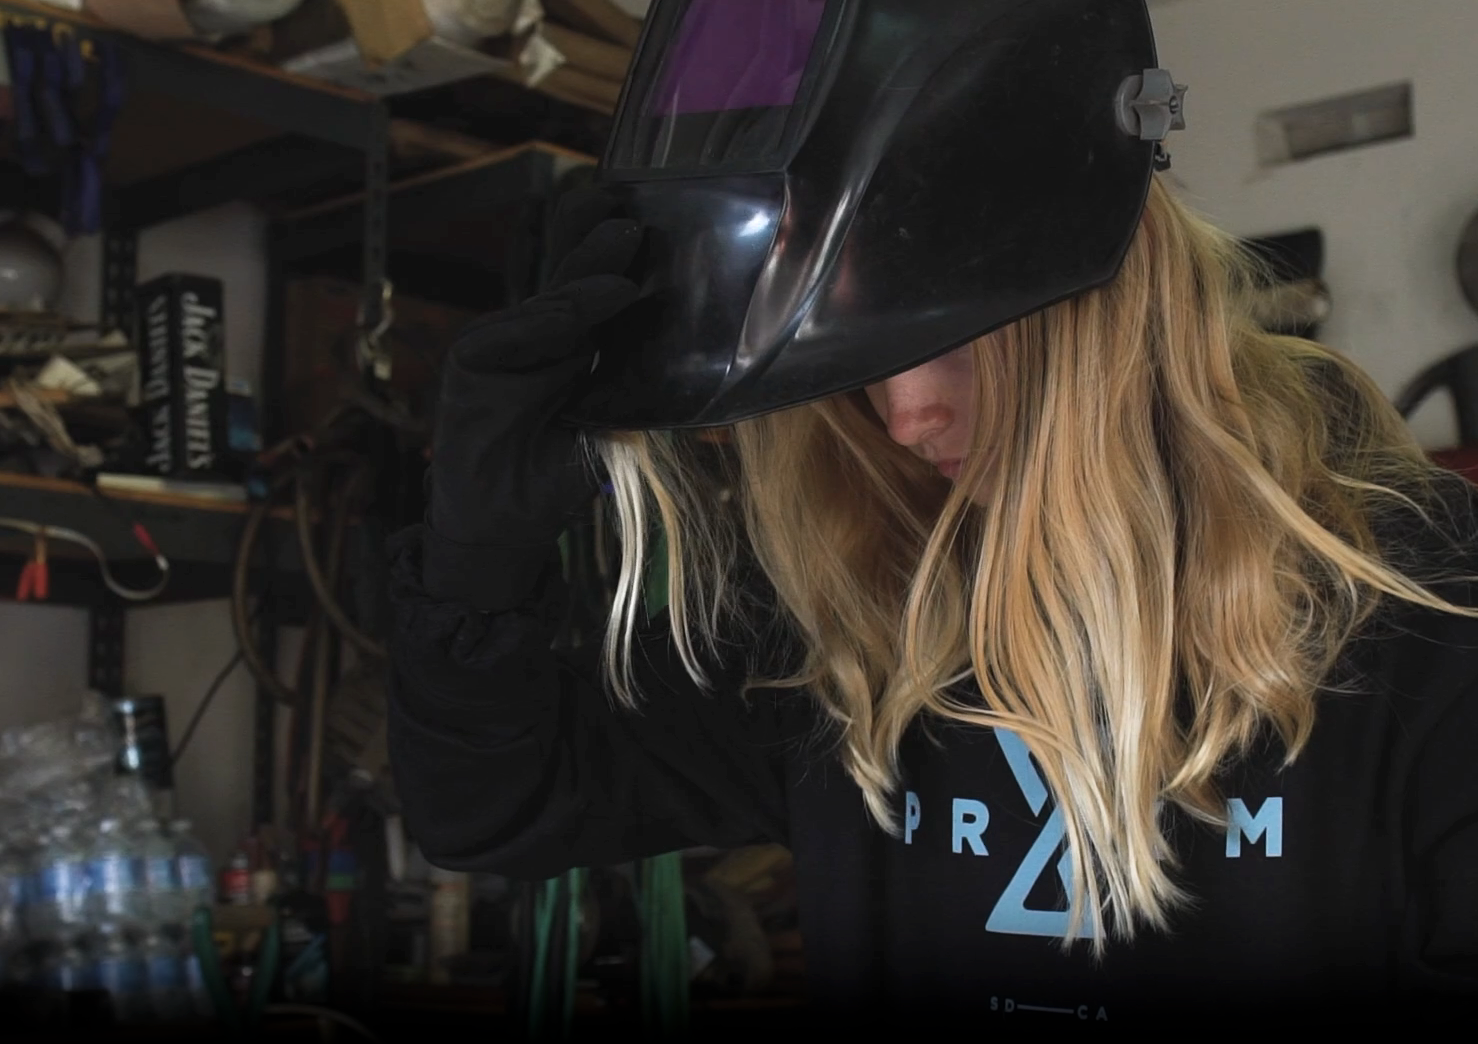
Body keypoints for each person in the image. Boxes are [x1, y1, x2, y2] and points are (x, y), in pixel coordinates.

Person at [388, 0, 1478, 1029]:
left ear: (1099, 294)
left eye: (950, 335)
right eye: (857, 347)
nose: (905, 416)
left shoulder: (1427, 614)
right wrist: (477, 556)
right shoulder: (854, 612)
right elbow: (491, 807)